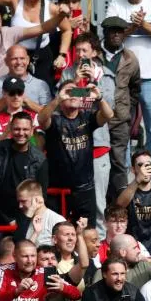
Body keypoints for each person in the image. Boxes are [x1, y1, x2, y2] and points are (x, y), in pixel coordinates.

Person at [106, 0, 151, 163]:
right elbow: (111, 37)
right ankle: (125, 170)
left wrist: (143, 24)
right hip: (123, 77)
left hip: (150, 76)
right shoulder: (115, 4)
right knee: (123, 126)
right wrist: (132, 28)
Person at [39, 81, 113, 225]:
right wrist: (58, 98)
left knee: (86, 231)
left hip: (85, 190)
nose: (72, 95)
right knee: (57, 231)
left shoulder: (87, 118)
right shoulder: (54, 120)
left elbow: (108, 115)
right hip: (58, 190)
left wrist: (99, 98)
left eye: (76, 92)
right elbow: (41, 119)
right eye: (68, 92)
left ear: (81, 99)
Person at [0, 0, 72, 85]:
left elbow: (67, 30)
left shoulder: (52, 8)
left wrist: (62, 54)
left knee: (42, 91)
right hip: (17, 56)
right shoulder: (15, 0)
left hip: (41, 58)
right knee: (13, 91)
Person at [100, 15, 141, 199]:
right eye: (112, 31)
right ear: (105, 32)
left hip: (120, 119)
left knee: (119, 162)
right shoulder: (94, 55)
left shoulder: (130, 58)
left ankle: (119, 203)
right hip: (97, 119)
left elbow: (135, 87)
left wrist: (127, 109)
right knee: (99, 162)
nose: (116, 35)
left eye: (120, 31)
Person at [0, 112, 48, 224]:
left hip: (25, 217)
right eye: (17, 129)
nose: (21, 133)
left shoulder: (39, 159)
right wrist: (8, 220)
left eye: (25, 129)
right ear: (10, 129)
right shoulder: (0, 150)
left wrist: (27, 219)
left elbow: (41, 196)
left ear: (31, 131)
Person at [15, 180, 64, 246]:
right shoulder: (25, 219)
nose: (20, 206)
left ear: (37, 199)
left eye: (23, 201)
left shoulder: (56, 220)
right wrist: (29, 213)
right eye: (19, 202)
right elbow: (17, 245)